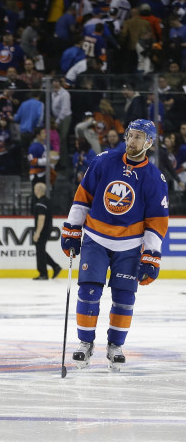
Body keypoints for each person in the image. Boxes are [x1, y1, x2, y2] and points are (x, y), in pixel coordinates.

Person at [61, 119, 169, 372]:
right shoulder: (104, 160)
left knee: (124, 297)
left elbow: (157, 220)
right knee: (88, 291)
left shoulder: (155, 178)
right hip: (96, 239)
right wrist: (72, 228)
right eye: (130, 136)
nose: (132, 141)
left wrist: (151, 254)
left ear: (150, 143)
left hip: (130, 246)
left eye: (138, 137)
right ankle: (85, 343)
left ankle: (115, 346)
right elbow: (83, 195)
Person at [32, 182, 61, 280]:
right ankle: (55, 266)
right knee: (41, 250)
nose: (34, 191)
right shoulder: (47, 201)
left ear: (39, 190)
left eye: (35, 189)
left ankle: (43, 273)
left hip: (43, 230)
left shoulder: (41, 203)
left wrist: (37, 232)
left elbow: (41, 218)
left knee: (40, 251)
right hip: (48, 228)